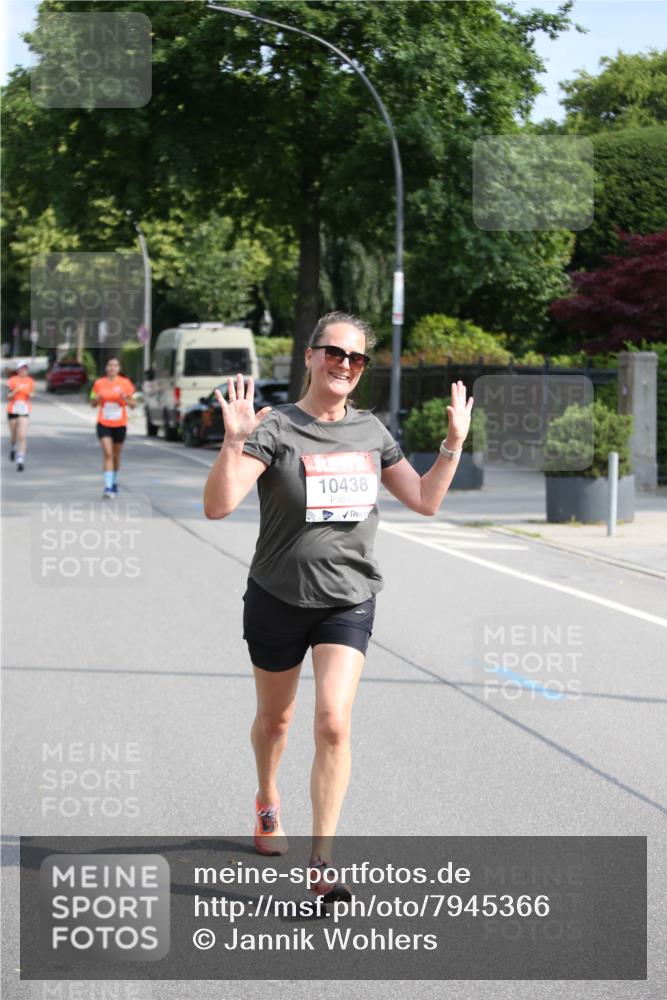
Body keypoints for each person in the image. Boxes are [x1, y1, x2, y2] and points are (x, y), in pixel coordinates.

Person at [203, 311, 473, 902]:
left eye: (356, 358)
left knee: (332, 721)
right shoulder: (276, 427)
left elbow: (424, 499)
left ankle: (322, 859)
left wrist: (453, 443)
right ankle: (267, 798)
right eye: (334, 352)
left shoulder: (371, 431)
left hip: (347, 599)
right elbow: (218, 506)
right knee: (276, 720)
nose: (344, 365)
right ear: (310, 355)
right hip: (277, 596)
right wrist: (234, 441)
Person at [89, 358, 136, 498]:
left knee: (116, 456)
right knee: (108, 454)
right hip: (103, 423)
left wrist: (125, 398)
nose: (112, 368)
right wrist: (96, 399)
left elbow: (133, 405)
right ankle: (108, 487)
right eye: (110, 365)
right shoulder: (99, 383)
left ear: (119, 368)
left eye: (115, 365)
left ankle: (114, 482)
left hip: (120, 424)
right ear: (106, 368)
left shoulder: (125, 383)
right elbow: (92, 404)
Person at [7, 362, 35, 471]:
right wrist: (15, 391)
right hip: (13, 409)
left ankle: (20, 460)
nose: (24, 371)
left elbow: (33, 393)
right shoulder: (12, 380)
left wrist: (31, 394)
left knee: (22, 435)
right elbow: (8, 397)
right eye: (22, 369)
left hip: (24, 410)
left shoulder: (30, 381)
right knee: (14, 435)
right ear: (18, 370)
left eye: (25, 369)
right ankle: (13, 448)